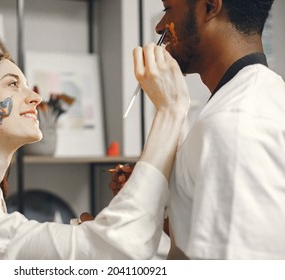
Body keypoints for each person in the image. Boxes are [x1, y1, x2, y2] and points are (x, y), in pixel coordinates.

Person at [0, 50, 189, 259]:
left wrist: (95, 236)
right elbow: (115, 250)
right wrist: (170, 110)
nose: (36, 97)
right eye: (13, 84)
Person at [113, 0, 285, 259]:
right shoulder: (249, 99)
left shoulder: (236, 123)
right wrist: (151, 197)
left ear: (209, 7)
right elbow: (207, 241)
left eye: (167, 9)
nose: (160, 27)